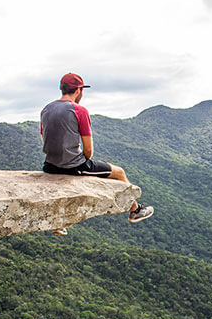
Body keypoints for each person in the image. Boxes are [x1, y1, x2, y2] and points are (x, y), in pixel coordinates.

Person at [40, 72, 153, 232]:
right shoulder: (79, 111)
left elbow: (46, 137)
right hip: (72, 165)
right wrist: (82, 164)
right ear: (78, 90)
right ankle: (135, 210)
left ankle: (60, 224)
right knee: (119, 173)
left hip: (49, 165)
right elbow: (88, 150)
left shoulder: (46, 109)